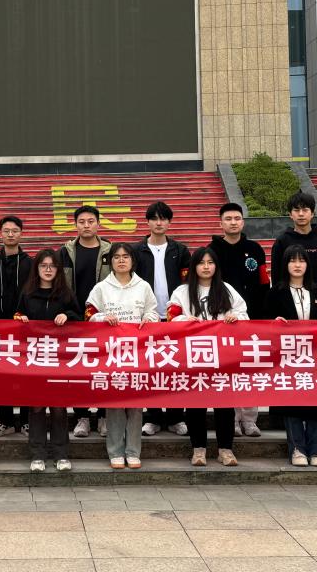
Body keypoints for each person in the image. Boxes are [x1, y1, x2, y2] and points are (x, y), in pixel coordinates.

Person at [270, 191, 317, 438]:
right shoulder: (282, 241)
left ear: (313, 213)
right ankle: (287, 415)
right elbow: (276, 279)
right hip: (291, 318)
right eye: (296, 210)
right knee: (291, 368)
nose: (301, 214)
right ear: (290, 214)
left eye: (305, 209)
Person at [168, 247, 248, 467]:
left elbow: (244, 314)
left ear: (216, 266)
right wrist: (185, 320)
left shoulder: (227, 290)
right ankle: (198, 449)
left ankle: (225, 450)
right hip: (194, 355)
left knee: (225, 404)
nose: (206, 267)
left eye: (210, 262)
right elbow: (171, 318)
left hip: (223, 356)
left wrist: (234, 317)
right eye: (201, 263)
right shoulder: (182, 292)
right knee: (195, 404)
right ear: (193, 266)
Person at [86, 242, 159, 469]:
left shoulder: (143, 286)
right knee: (115, 403)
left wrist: (148, 319)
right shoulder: (101, 287)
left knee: (135, 404)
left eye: (125, 256)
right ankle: (116, 451)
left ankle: (133, 451)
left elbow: (153, 312)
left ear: (132, 260)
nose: (121, 260)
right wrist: (102, 318)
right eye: (116, 257)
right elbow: (89, 313)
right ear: (110, 261)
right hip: (111, 353)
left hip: (137, 352)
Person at [266, 245, 317, 467]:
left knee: (316, 401)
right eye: (292, 260)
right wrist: (273, 322)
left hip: (316, 357)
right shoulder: (275, 292)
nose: (297, 265)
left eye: (302, 260)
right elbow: (263, 321)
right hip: (287, 357)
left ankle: (315, 448)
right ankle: (296, 448)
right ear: (285, 264)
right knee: (292, 402)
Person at [14, 248, 82, 473]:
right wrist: (21, 319)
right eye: (43, 266)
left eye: (52, 266)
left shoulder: (66, 294)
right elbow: (16, 316)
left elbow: (80, 318)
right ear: (37, 269)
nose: (48, 270)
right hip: (34, 360)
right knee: (36, 408)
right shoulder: (27, 293)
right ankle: (37, 455)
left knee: (59, 408)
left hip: (59, 361)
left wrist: (67, 316)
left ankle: (61, 454)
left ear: (58, 269)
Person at [209, 202, 270, 439]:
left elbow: (264, 283)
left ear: (243, 222)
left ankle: (250, 420)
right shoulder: (213, 251)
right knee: (227, 371)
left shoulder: (254, 249)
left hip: (250, 320)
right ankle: (231, 419)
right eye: (228, 219)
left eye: (237, 218)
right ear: (220, 223)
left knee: (249, 371)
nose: (233, 222)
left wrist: (261, 317)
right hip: (222, 321)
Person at [132, 201, 190, 438]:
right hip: (147, 318)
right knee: (150, 368)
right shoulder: (137, 251)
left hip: (175, 317)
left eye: (163, 218)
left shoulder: (180, 250)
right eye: (154, 218)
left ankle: (176, 417)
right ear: (147, 222)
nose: (159, 223)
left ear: (169, 222)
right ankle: (153, 417)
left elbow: (187, 283)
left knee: (176, 367)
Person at [60, 205, 111, 438]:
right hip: (74, 318)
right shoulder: (65, 252)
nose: (86, 225)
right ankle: (81, 417)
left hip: (104, 318)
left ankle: (103, 415)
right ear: (75, 225)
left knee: (104, 369)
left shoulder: (110, 250)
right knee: (78, 369)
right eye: (82, 222)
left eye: (91, 221)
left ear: (98, 223)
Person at [0, 215, 31, 437]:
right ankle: (5, 421)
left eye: (15, 231)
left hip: (26, 327)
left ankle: (28, 420)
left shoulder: (31, 263)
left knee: (27, 374)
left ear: (21, 233)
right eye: (6, 231)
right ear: (0, 233)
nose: (10, 234)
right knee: (3, 374)